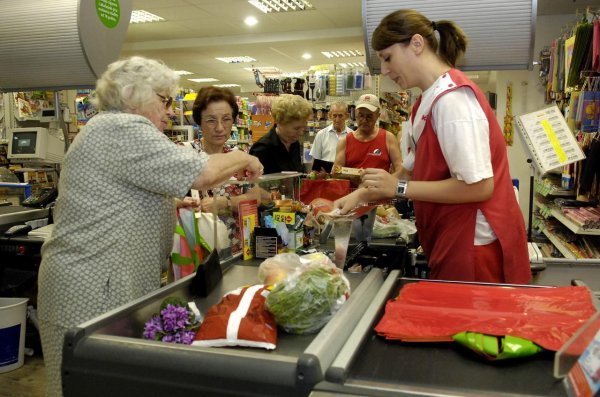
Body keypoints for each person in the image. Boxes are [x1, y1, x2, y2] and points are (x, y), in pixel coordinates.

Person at [37, 56, 263, 397]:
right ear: (132, 96)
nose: (170, 111)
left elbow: (118, 194)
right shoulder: (122, 128)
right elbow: (200, 173)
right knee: (90, 384)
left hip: (100, 283)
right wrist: (245, 158)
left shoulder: (105, 129)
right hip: (94, 288)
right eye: (164, 100)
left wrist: (169, 204)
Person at [333, 9, 531, 285]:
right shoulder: (423, 104)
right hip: (449, 233)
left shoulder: (453, 102)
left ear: (416, 44)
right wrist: (360, 197)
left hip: (475, 242)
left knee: (471, 324)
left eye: (387, 58)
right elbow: (409, 172)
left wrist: (398, 189)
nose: (386, 70)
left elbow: (479, 186)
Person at [191, 86, 270, 213]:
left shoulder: (237, 157)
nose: (220, 128)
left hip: (237, 231)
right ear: (199, 122)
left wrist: (226, 203)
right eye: (211, 120)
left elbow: (256, 198)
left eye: (226, 119)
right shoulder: (186, 153)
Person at [333, 94, 403, 175]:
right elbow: (337, 171)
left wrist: (389, 181)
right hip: (353, 188)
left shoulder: (389, 138)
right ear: (355, 115)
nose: (364, 120)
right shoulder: (344, 142)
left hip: (380, 187)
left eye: (369, 116)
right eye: (361, 115)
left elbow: (400, 169)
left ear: (378, 116)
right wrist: (355, 175)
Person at [249, 93, 313, 174]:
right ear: (280, 122)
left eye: (303, 127)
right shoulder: (262, 149)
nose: (301, 133)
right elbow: (255, 183)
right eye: (296, 128)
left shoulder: (294, 143)